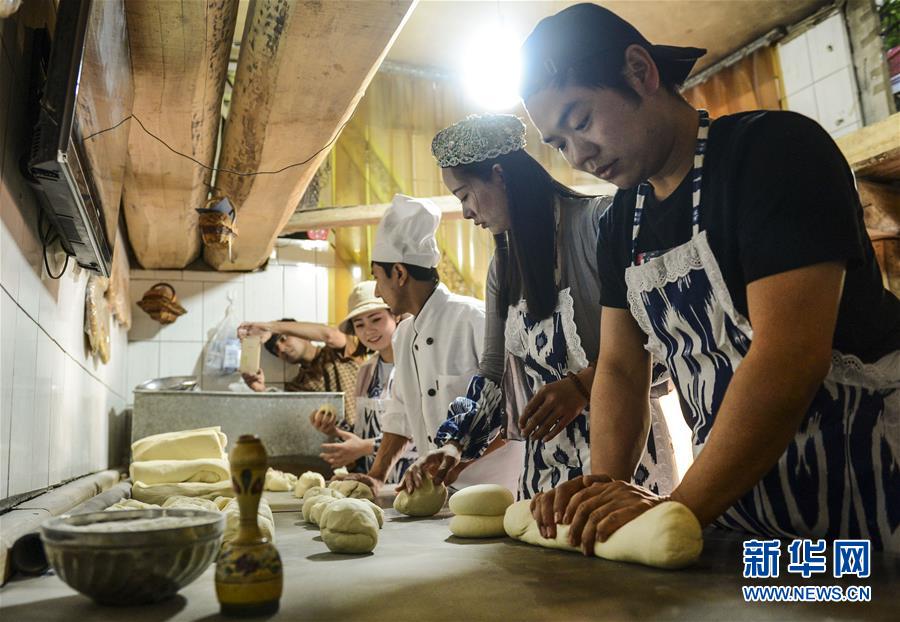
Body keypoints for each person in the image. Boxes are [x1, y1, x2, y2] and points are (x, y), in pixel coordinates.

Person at [520, 3, 900, 551]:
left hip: (870, 507)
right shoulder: (621, 223)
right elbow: (623, 370)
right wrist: (602, 492)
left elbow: (790, 353)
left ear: (640, 71)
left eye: (580, 121)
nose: (579, 155)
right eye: (558, 143)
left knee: (851, 604)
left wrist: (678, 510)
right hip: (750, 523)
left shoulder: (772, 153)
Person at [400, 113, 677, 501]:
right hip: (544, 475)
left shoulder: (599, 226)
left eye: (464, 195)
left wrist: (582, 386)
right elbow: (494, 373)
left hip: (623, 465)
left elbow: (665, 339)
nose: (464, 212)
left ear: (499, 174)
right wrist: (454, 445)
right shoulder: (503, 267)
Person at [338, 193, 524, 494]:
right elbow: (399, 414)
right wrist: (377, 475)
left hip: (495, 495)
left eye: (377, 277)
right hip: (438, 496)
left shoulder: (476, 319)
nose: (376, 289)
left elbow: (515, 411)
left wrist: (455, 460)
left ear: (399, 273)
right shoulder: (404, 334)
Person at [308, 280, 417, 484]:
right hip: (375, 484)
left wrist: (365, 448)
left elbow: (428, 434)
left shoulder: (416, 365)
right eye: (359, 325)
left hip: (412, 483)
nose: (368, 331)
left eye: (376, 319)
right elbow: (362, 432)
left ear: (396, 315)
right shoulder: (366, 371)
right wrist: (334, 428)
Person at [238, 318, 364, 427]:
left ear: (304, 336)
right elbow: (285, 412)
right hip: (340, 448)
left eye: (283, 339)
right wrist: (261, 390)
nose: (281, 349)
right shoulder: (297, 385)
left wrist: (270, 327)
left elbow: (331, 334)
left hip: (371, 437)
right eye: (276, 350)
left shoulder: (338, 352)